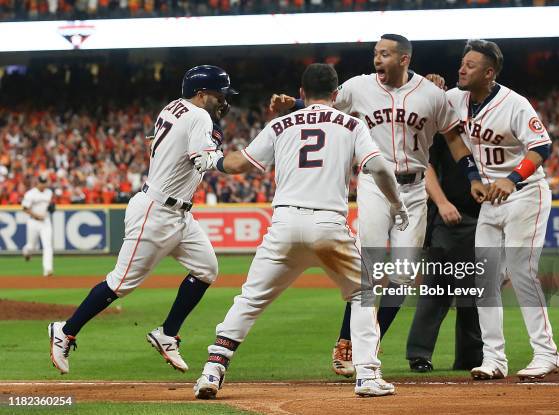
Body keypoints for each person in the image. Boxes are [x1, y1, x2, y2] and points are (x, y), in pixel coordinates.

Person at [270, 34, 487, 377]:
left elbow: (454, 138)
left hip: (414, 191)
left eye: (384, 54)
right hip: (373, 184)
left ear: (403, 59)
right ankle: (348, 343)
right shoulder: (358, 87)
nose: (377, 59)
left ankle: (367, 344)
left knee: (401, 276)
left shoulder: (432, 95)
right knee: (367, 268)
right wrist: (294, 106)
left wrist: (473, 175)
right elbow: (323, 111)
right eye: (375, 53)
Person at [192, 63, 408, 399]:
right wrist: (397, 204)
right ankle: (366, 375)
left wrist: (211, 159)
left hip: (285, 224)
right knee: (363, 293)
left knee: (250, 300)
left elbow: (236, 165)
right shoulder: (351, 124)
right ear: (336, 95)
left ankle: (212, 369)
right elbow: (378, 166)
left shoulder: (281, 124)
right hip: (329, 224)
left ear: (302, 93)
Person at [48, 65, 237, 375]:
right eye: (220, 95)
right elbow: (203, 159)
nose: (224, 101)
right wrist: (231, 161)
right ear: (201, 94)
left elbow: (167, 141)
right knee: (120, 283)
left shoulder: (173, 107)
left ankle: (167, 334)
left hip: (178, 212)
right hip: (157, 211)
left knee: (206, 269)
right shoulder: (200, 116)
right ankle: (65, 330)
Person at [446, 39, 559, 381]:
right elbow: (450, 134)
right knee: (485, 279)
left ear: (489, 73)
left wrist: (512, 178)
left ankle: (546, 353)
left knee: (522, 270)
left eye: (470, 65)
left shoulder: (515, 104)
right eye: (462, 63)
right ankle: (494, 358)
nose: (461, 69)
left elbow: (542, 145)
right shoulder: (456, 99)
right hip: (491, 201)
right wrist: (472, 176)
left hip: (525, 193)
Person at [405, 135, 483, 373]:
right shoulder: (446, 123)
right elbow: (424, 163)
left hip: (488, 216)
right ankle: (420, 354)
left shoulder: (494, 122)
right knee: (439, 286)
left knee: (471, 290)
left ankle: (469, 357)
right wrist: (441, 202)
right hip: (451, 218)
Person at [22, 175, 54, 277]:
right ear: (38, 182)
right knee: (31, 246)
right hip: (33, 222)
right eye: (42, 182)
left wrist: (52, 208)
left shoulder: (49, 193)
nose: (43, 184)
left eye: (45, 182)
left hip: (45, 222)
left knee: (47, 245)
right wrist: (37, 216)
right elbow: (25, 208)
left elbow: (50, 206)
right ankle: (26, 252)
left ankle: (47, 270)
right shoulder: (30, 194)